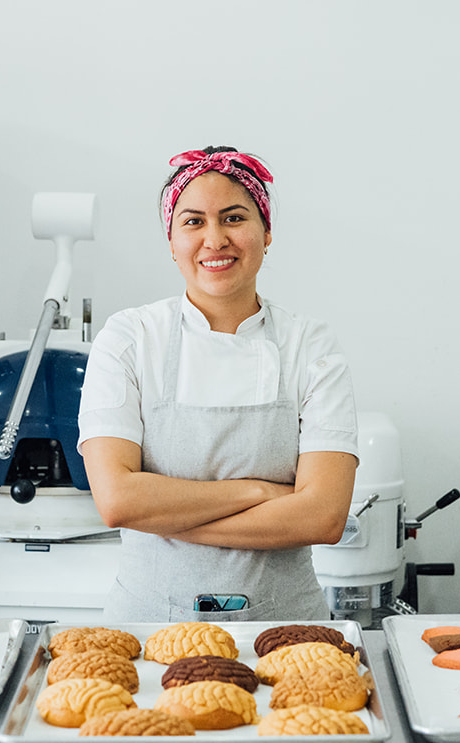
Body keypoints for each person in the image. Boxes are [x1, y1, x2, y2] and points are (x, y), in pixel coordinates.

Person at [76, 147, 359, 621]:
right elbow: (118, 501)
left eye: (233, 217)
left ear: (266, 234)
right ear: (170, 240)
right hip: (147, 630)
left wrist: (164, 515)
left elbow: (323, 517)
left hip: (288, 629)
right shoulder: (129, 338)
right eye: (192, 222)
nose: (214, 239)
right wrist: (261, 492)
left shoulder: (311, 344)